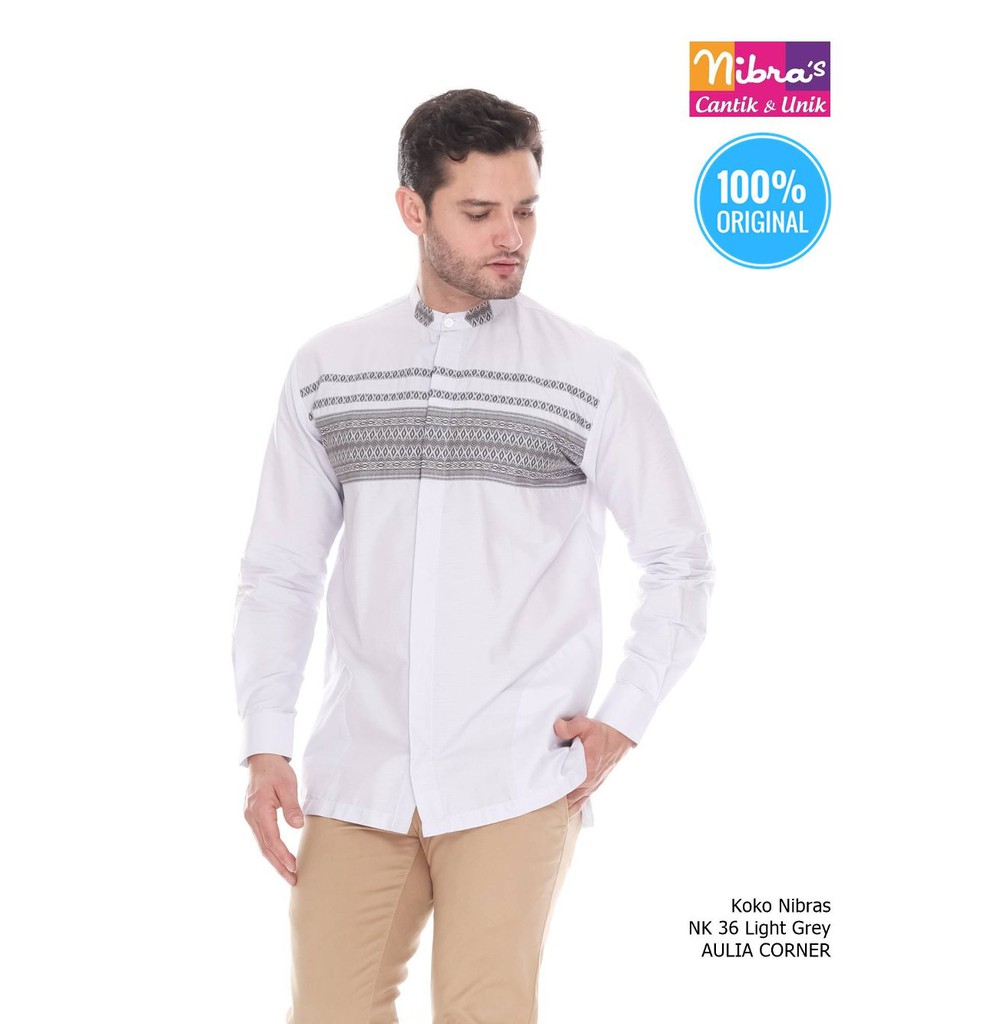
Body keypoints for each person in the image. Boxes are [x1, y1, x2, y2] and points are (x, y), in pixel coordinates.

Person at [233, 87, 715, 1023]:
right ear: (412, 210)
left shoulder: (591, 373)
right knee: (328, 1011)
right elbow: (280, 570)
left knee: (483, 1012)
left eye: (526, 210)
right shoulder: (329, 369)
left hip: (513, 772)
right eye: (480, 212)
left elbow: (680, 559)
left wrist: (622, 719)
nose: (511, 237)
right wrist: (264, 740)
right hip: (360, 768)